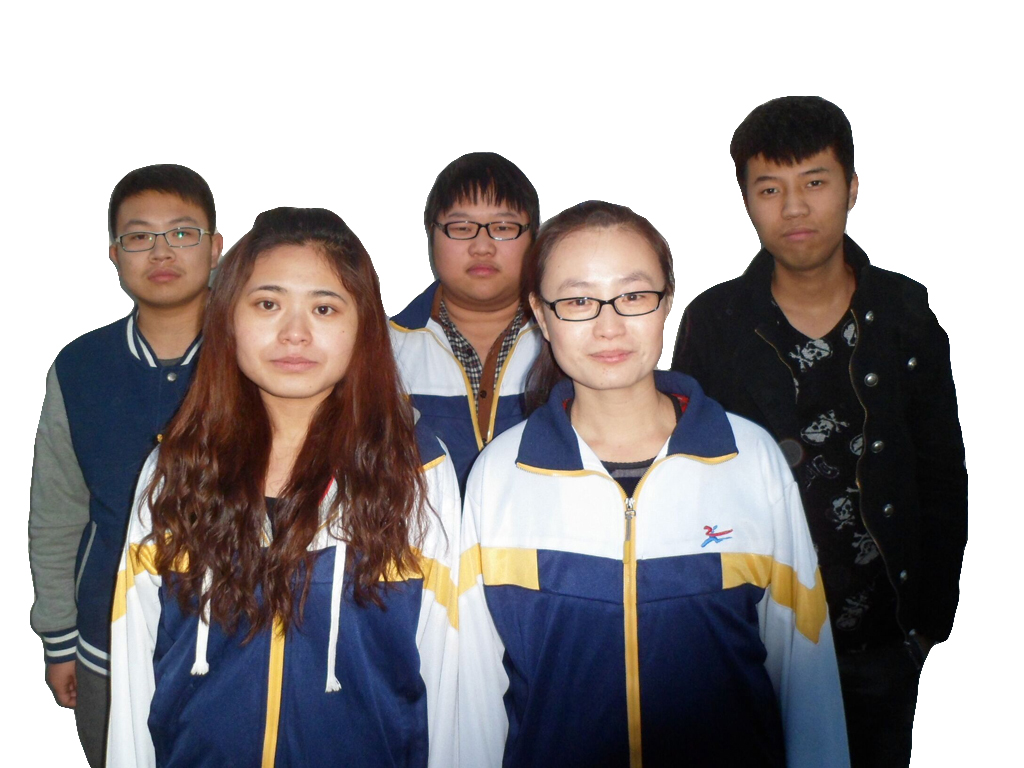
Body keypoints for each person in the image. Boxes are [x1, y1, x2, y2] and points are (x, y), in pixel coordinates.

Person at [460, 200, 849, 767]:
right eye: (578, 301)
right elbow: (473, 695)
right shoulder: (501, 474)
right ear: (541, 315)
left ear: (667, 302)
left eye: (634, 295)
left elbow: (806, 669)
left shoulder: (748, 459)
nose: (609, 325)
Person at [672, 96, 967, 767]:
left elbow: (942, 470)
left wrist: (928, 621)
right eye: (769, 188)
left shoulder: (903, 312)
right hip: (755, 634)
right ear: (746, 199)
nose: (794, 208)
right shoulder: (715, 321)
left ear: (852, 187)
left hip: (883, 638)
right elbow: (688, 478)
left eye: (814, 181)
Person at [106, 207, 460, 767]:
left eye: (324, 308)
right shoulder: (175, 469)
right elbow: (134, 666)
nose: (295, 333)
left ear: (363, 327)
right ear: (228, 317)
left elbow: (448, 673)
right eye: (268, 304)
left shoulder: (417, 471)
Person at [28, 164, 223, 767]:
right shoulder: (80, 367)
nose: (161, 251)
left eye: (182, 233)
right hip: (104, 641)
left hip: (234, 639)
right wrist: (58, 639)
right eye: (139, 236)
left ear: (216, 247)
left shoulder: (259, 352)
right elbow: (57, 513)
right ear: (114, 254)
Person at [390, 152, 542, 491]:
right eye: (461, 228)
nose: (482, 247)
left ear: (534, 237)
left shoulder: (566, 344)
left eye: (503, 228)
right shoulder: (379, 350)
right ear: (431, 235)